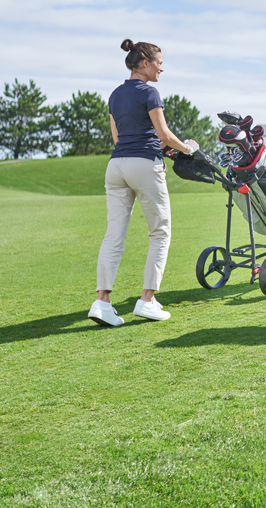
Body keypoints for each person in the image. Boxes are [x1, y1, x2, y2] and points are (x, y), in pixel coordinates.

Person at [88, 39, 198, 326]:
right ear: (145, 62)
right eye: (159, 62)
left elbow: (117, 138)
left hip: (116, 167)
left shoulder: (114, 94)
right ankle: (147, 300)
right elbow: (164, 135)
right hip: (144, 165)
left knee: (114, 235)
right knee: (160, 232)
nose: (162, 68)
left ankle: (102, 302)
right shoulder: (150, 92)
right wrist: (188, 149)